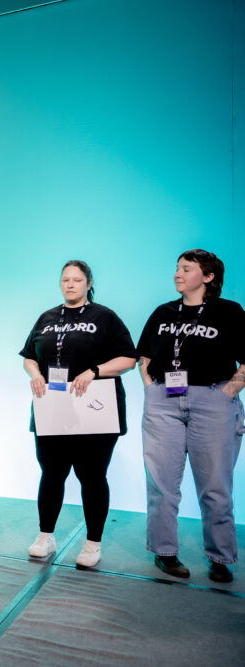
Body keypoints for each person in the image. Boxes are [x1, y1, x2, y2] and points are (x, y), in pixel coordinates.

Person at [137, 249, 245, 583]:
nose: (177, 274)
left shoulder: (229, 312)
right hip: (164, 401)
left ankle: (220, 558)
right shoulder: (163, 312)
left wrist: (229, 391)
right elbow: (143, 356)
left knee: (215, 485)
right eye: (177, 268)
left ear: (208, 277)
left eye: (186, 268)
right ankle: (165, 553)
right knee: (162, 484)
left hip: (211, 400)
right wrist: (150, 387)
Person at [19, 260, 136, 568]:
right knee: (52, 474)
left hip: (94, 409)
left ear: (88, 283)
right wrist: (34, 374)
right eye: (65, 279)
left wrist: (95, 371)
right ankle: (46, 535)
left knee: (92, 476)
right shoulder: (47, 317)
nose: (70, 284)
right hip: (52, 405)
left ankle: (92, 543)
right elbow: (29, 356)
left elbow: (128, 358)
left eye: (77, 279)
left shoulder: (104, 317)